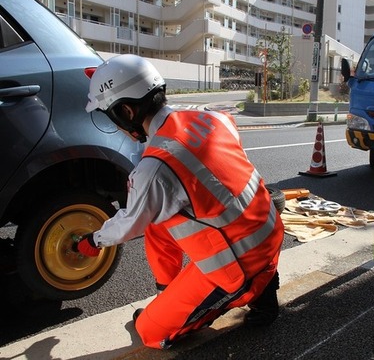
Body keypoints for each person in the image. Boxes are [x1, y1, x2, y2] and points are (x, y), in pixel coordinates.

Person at [75, 54, 284, 350]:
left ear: (125, 111)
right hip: (268, 231)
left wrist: (92, 241)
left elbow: (128, 224)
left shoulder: (156, 167)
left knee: (149, 330)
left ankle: (239, 296)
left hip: (239, 265)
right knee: (159, 222)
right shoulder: (211, 117)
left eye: (111, 117)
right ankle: (173, 293)